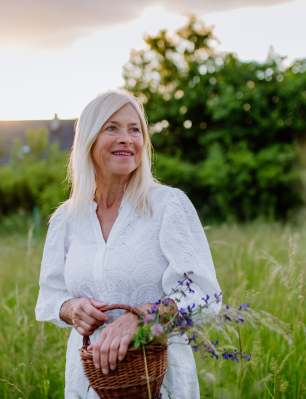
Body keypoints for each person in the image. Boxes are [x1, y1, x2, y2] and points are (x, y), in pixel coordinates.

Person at [35, 89, 221, 398]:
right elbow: (51, 296)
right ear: (89, 140)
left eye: (135, 129)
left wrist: (143, 317)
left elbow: (205, 294)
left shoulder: (167, 205)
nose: (126, 138)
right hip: (90, 381)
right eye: (112, 128)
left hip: (158, 379)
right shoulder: (65, 220)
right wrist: (72, 308)